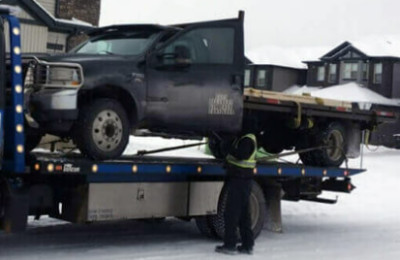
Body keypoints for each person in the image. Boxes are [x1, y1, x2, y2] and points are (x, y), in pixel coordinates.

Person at [215, 132, 257, 255]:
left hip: (240, 180)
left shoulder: (247, 139)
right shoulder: (244, 138)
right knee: (244, 215)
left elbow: (241, 155)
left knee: (231, 213)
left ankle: (230, 245)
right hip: (242, 179)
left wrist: (228, 147)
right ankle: (247, 245)